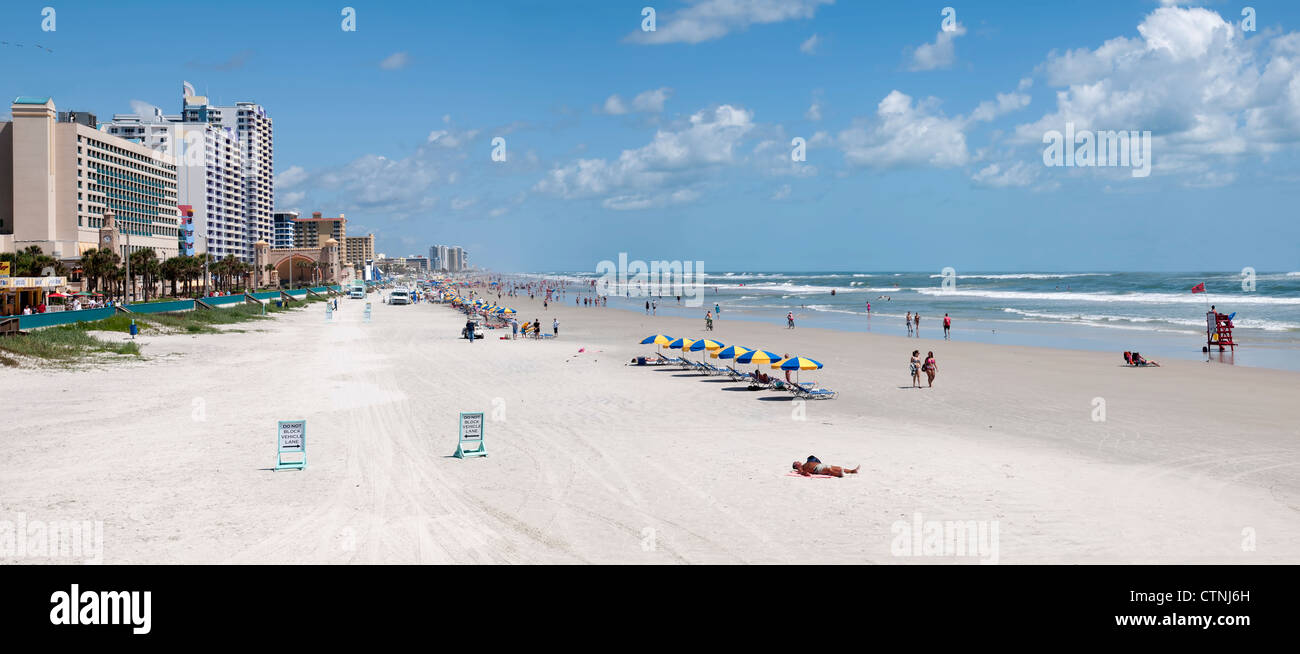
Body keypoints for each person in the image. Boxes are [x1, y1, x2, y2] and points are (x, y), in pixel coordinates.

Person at [792, 455, 859, 478]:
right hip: (817, 468)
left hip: (820, 465)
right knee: (829, 470)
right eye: (796, 462)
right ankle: (839, 475)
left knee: (839, 468)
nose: (798, 461)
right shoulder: (800, 468)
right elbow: (802, 472)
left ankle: (852, 471)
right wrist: (805, 473)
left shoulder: (804, 464)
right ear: (796, 465)